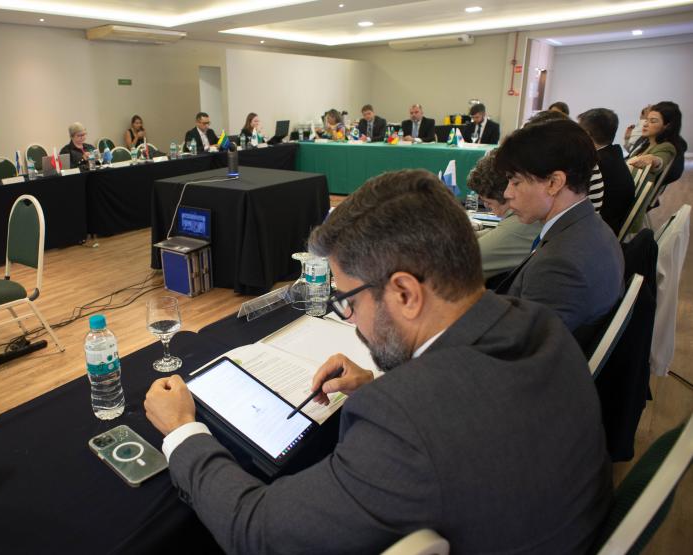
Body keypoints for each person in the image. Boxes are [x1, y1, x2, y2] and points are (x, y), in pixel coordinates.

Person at [144, 169, 611, 554]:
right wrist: (376, 385)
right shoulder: (539, 324)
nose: (352, 320)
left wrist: (184, 432)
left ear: (405, 293)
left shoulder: (405, 420)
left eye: (348, 301)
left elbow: (258, 531)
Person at [494, 118, 623, 350]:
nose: (507, 193)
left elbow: (521, 354)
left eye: (515, 182)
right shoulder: (592, 226)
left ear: (554, 183)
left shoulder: (559, 265)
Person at [467, 151, 542, 280]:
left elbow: (466, 262)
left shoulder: (522, 223)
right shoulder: (521, 221)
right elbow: (494, 235)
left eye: (488, 203)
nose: (487, 207)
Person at [577, 108, 635, 235]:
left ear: (586, 134)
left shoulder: (595, 164)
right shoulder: (613, 155)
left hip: (599, 231)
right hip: (611, 226)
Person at [626, 101, 682, 179]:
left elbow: (660, 161)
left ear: (667, 126)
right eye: (646, 120)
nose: (645, 124)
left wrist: (654, 160)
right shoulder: (647, 143)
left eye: (653, 121)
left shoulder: (666, 147)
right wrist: (627, 139)